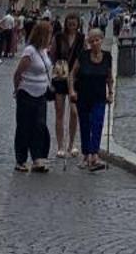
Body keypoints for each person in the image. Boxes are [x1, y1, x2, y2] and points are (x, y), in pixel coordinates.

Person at [12, 19, 56, 172]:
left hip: (42, 92)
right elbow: (18, 73)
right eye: (49, 34)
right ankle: (21, 160)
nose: (51, 37)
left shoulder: (44, 51)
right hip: (27, 92)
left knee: (40, 126)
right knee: (24, 126)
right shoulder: (29, 51)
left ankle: (38, 158)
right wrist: (17, 89)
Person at [73, 28, 114, 169]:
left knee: (97, 124)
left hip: (99, 97)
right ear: (89, 42)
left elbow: (109, 77)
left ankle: (94, 155)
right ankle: (85, 155)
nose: (95, 43)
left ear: (102, 40)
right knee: (85, 125)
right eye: (92, 41)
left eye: (97, 40)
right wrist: (72, 91)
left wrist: (110, 93)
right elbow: (72, 74)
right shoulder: (83, 55)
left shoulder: (107, 57)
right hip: (83, 96)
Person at [53, 14, 84, 159]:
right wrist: (57, 66)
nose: (72, 25)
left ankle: (72, 144)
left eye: (74, 23)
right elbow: (52, 54)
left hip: (76, 78)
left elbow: (85, 55)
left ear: (77, 24)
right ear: (66, 23)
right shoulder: (59, 37)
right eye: (69, 23)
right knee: (59, 111)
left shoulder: (81, 38)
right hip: (60, 76)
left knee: (74, 112)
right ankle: (60, 146)